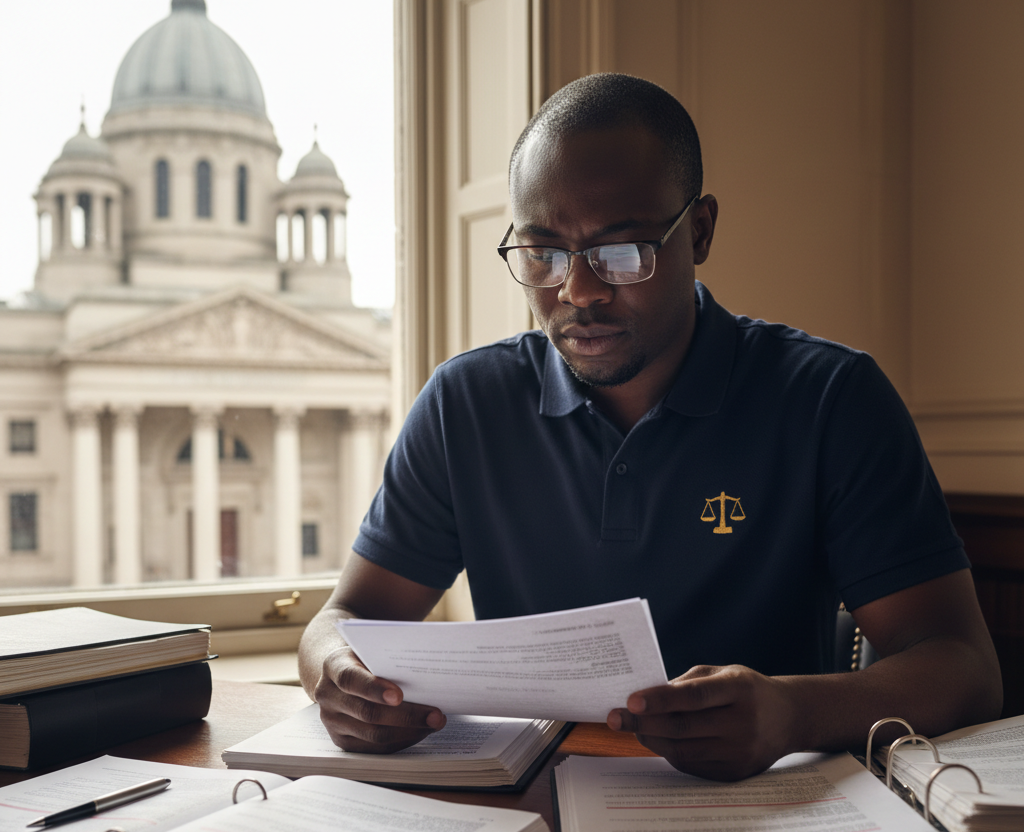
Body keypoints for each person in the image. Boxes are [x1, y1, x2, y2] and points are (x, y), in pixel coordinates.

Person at [299, 74, 1001, 781]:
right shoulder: (463, 405)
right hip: (529, 812)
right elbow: (346, 616)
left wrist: (793, 713)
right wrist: (336, 672)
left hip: (769, 817)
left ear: (698, 229)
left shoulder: (830, 398)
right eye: (542, 255)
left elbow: (965, 669)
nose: (579, 292)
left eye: (623, 250)